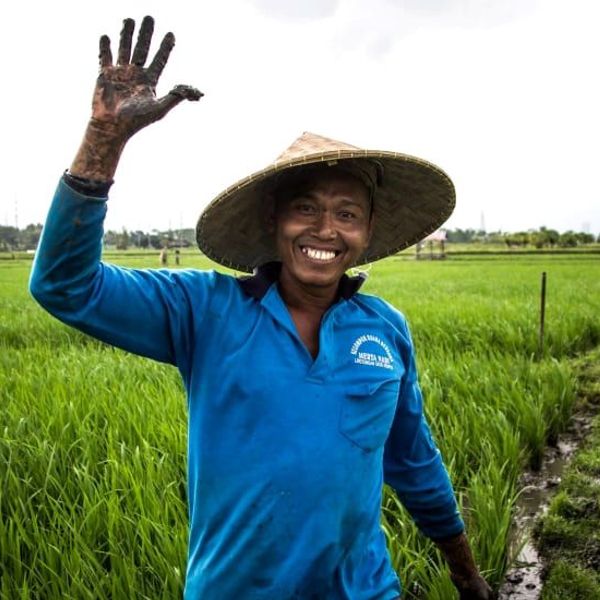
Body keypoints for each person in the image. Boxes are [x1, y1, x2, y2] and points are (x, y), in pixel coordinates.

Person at [29, 16, 494, 600]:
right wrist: (104, 140)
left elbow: (413, 459)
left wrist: (464, 570)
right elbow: (66, 286)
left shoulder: (384, 330)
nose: (325, 229)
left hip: (365, 590)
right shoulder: (204, 311)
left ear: (368, 230)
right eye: (306, 209)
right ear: (275, 221)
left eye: (347, 213)